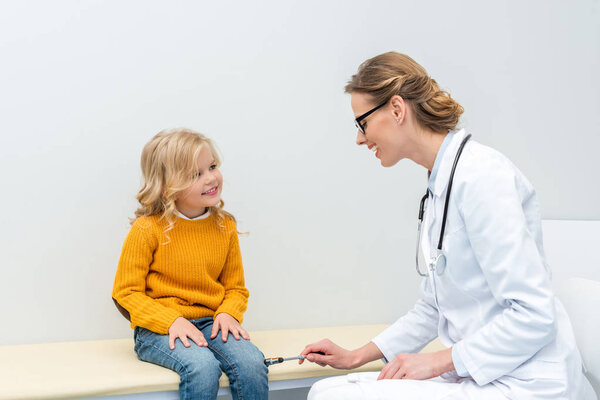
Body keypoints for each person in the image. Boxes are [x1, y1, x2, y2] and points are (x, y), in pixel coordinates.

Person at [300, 52, 595, 400]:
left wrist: (439, 362)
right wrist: (356, 356)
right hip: (484, 372)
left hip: (529, 381)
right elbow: (434, 307)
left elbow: (535, 316)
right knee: (327, 388)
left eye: (361, 124)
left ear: (397, 110)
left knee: (333, 397)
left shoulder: (481, 177)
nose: (360, 139)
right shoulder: (443, 182)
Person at [112, 128, 268, 400]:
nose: (211, 178)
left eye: (212, 166)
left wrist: (227, 313)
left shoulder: (224, 226)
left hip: (211, 322)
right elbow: (125, 293)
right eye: (196, 174)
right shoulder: (147, 229)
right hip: (159, 328)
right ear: (166, 186)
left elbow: (235, 288)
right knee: (202, 366)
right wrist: (171, 320)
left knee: (252, 363)